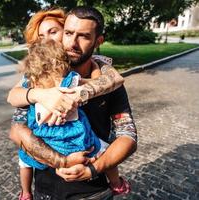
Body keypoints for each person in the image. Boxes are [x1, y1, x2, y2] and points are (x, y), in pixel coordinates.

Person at [8, 7, 137, 200]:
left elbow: (128, 136)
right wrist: (39, 95)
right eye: (69, 33)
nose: (72, 42)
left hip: (94, 192)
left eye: (83, 36)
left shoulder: (106, 78)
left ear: (97, 41)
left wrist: (92, 169)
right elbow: (16, 130)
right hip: (46, 191)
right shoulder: (37, 78)